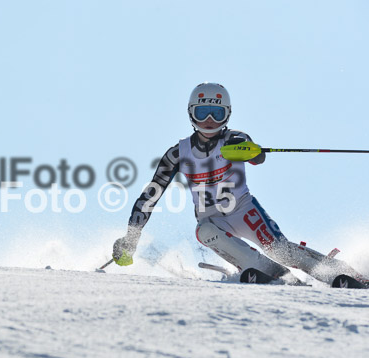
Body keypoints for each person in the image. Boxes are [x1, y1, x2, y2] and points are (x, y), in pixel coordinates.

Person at [113, 82, 363, 285]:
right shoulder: (178, 153)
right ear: (191, 113)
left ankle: (343, 274)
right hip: (213, 220)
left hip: (245, 211)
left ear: (227, 115)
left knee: (282, 250)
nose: (209, 120)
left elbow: (258, 156)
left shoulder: (233, 140)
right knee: (204, 232)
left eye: (217, 113)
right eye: (202, 113)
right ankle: (267, 271)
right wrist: (131, 238)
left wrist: (250, 151)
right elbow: (150, 195)